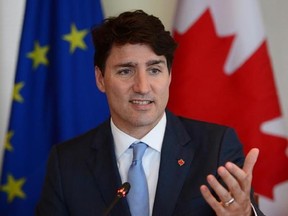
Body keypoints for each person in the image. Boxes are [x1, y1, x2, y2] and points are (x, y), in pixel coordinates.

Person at [36, 10, 264, 216]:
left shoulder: (216, 147)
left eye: (154, 70)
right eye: (126, 71)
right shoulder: (66, 162)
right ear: (100, 79)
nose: (143, 87)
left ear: (170, 76)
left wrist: (245, 214)